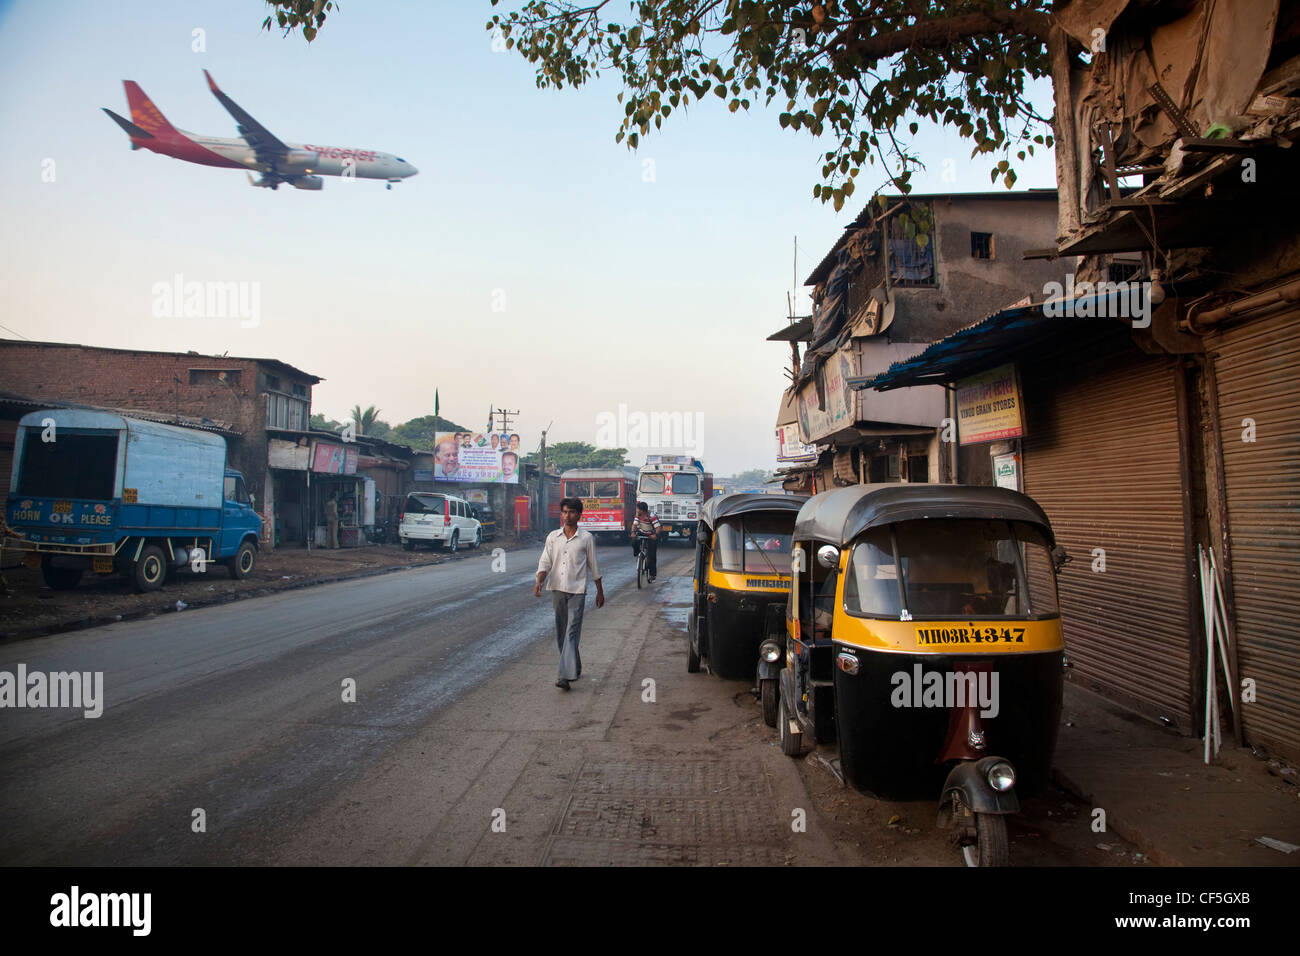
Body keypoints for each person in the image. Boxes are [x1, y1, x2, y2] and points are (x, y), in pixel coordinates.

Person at [535, 497, 604, 690]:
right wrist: (539, 580)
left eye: (572, 512)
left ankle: (564, 676)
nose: (567, 516)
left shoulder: (586, 539)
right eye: (564, 512)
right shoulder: (553, 537)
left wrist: (600, 591)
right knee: (561, 632)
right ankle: (575, 666)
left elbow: (594, 566)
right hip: (557, 588)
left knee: (571, 631)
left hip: (577, 591)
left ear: (579, 515)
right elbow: (545, 562)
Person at [628, 500, 661, 582]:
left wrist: (655, 535)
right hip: (641, 532)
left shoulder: (651, 516)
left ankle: (652, 574)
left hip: (651, 535)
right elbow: (634, 525)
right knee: (634, 542)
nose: (637, 510)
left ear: (642, 510)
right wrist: (632, 532)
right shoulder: (637, 515)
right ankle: (639, 555)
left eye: (638, 509)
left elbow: (658, 528)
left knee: (651, 556)